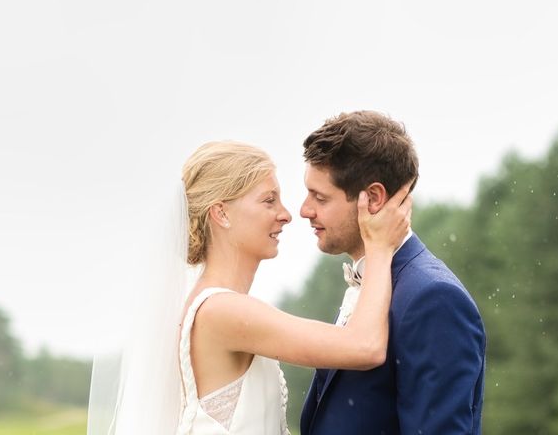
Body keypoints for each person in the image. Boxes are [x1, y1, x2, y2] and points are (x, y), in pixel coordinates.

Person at [87, 140, 413, 435]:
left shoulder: (216, 305)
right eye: (269, 201)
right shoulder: (222, 311)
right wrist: (380, 247)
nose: (286, 215)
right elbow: (365, 347)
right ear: (221, 213)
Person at [299, 111, 486, 435]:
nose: (305, 210)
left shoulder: (433, 298)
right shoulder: (374, 283)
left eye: (320, 197)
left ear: (372, 198)